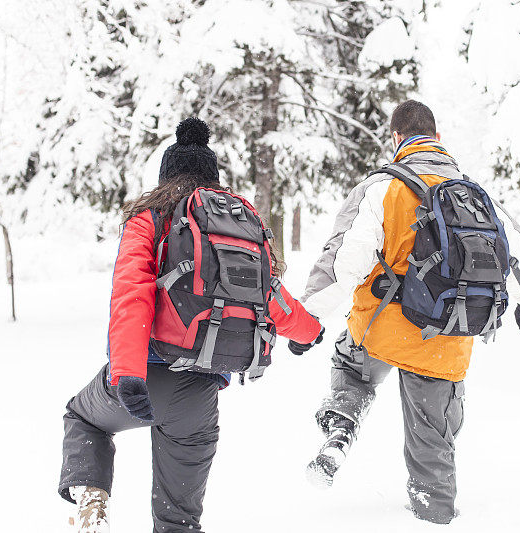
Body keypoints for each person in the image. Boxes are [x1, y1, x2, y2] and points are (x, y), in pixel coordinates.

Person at [58, 117, 323, 533]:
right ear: (212, 177)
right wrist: (310, 332)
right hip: (199, 395)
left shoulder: (151, 218)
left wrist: (127, 374)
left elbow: (132, 296)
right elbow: (271, 295)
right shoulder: (238, 226)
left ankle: (92, 510)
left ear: (166, 175)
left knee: (82, 416)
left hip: (146, 374)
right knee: (178, 522)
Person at [300, 100, 520, 524]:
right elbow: (519, 253)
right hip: (447, 336)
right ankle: (434, 512)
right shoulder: (474, 194)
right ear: (436, 138)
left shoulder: (382, 187)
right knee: (433, 444)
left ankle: (341, 424)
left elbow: (343, 262)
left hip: (381, 329)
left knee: (352, 366)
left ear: (396, 138)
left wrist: (307, 319)